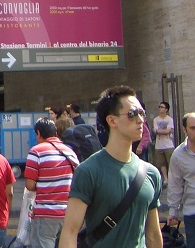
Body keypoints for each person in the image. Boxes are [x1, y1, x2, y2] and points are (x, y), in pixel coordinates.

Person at [59, 85, 163, 248]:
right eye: (132, 114)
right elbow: (70, 231)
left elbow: (153, 235)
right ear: (112, 120)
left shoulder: (151, 173)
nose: (140, 120)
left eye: (141, 113)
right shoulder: (89, 171)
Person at [24, 117, 79, 248]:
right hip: (69, 213)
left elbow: (30, 185)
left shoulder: (36, 151)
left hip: (46, 214)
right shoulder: (69, 152)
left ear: (38, 133)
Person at [168, 112, 195, 248]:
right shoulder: (178, 155)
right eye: (193, 128)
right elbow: (175, 184)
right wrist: (173, 211)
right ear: (184, 130)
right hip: (192, 212)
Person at [154, 101, 175, 186]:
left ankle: (172, 179)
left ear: (166, 109)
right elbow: (155, 130)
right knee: (161, 163)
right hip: (159, 145)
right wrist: (163, 131)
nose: (160, 108)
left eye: (162, 107)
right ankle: (165, 179)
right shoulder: (156, 119)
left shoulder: (169, 119)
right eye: (159, 107)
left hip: (168, 144)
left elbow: (168, 130)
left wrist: (161, 131)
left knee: (170, 162)